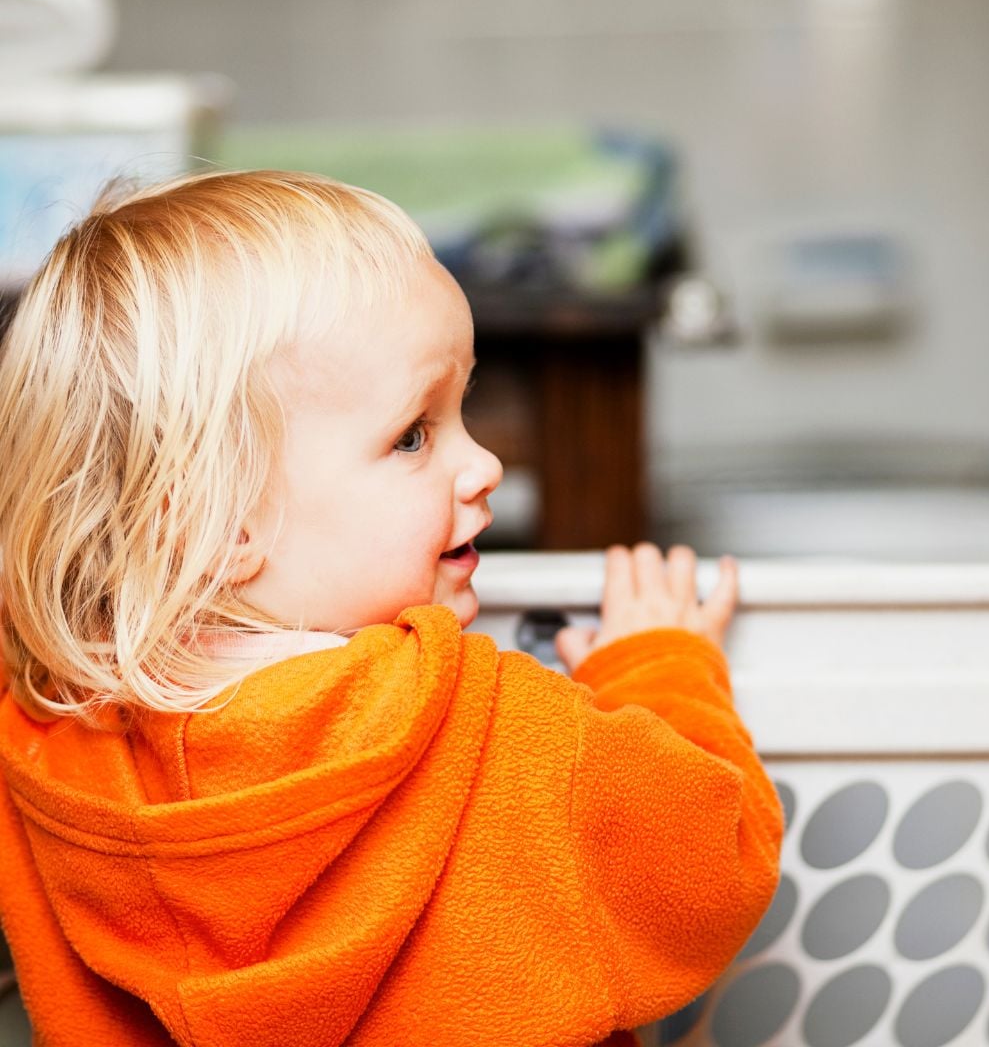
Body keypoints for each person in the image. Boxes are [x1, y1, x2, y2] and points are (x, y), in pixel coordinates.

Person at [0, 170, 782, 1047]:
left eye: (463, 409)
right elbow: (714, 864)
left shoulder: (44, 737)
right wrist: (659, 664)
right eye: (413, 433)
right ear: (212, 526)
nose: (483, 463)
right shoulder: (486, 731)